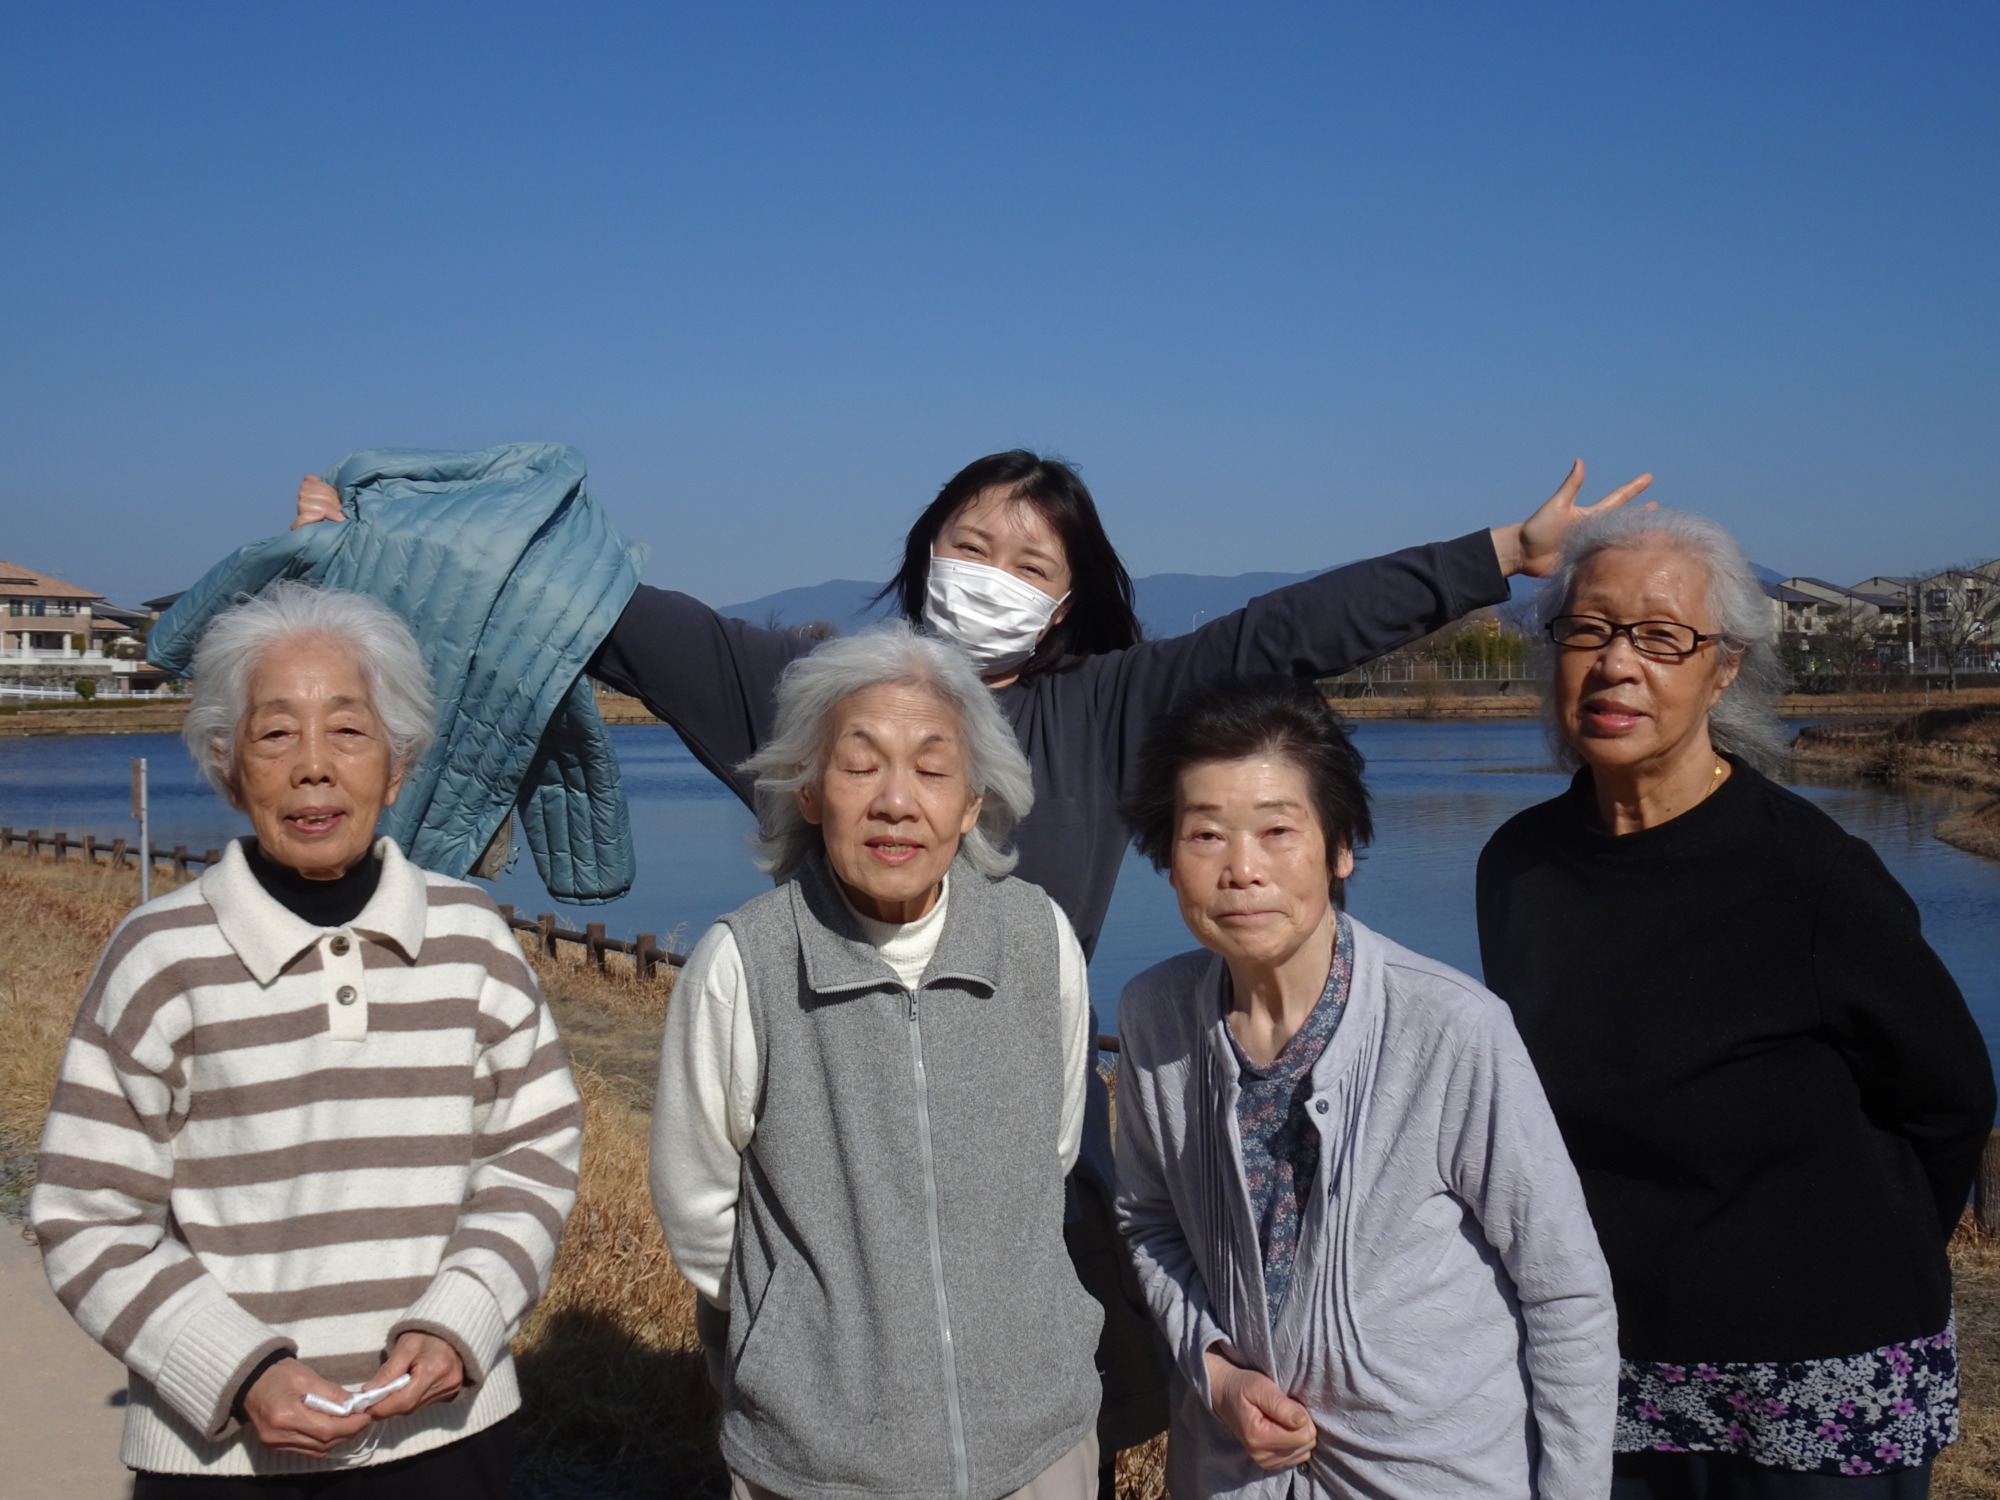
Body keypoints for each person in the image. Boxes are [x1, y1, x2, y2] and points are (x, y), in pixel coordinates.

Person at [1476, 508, 1996, 1499]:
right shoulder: (1519, 867)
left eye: (1660, 637)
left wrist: (1834, 1259)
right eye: (1586, 631)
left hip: (1819, 1374)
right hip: (1608, 1360)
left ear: (1722, 670)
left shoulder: (1809, 877)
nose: (1615, 665)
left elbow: (1947, 1099)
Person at [31, 581, 583, 1496]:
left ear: (398, 766)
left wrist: (460, 1318)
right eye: (276, 732)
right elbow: (87, 1212)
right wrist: (240, 1369)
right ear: (227, 766)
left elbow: (534, 1154)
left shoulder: (471, 939)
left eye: (349, 731)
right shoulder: (160, 955)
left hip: (446, 1443)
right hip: (224, 1461)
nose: (314, 766)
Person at [1113, 681, 1617, 1500]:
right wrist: (1214, 1372)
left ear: (1341, 847)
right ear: (1168, 856)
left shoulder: (1453, 1029)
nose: (1242, 869)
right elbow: (1149, 1221)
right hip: (1235, 1476)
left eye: (1278, 830)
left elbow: (1564, 1291)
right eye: (1205, 834)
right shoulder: (1156, 1016)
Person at [649, 621, 1103, 1500]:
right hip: (819, 1465)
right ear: (811, 790)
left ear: (973, 802)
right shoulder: (745, 962)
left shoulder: (1037, 939)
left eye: (933, 770)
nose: (898, 801)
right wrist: (798, 1343)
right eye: (861, 765)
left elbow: (1052, 1154)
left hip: (1038, 1444)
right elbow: (701, 1208)